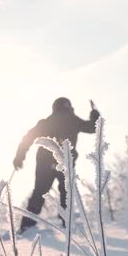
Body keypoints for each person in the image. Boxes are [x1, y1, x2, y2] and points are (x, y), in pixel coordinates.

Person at [13, 97, 100, 233]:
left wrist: (19, 156)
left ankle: (26, 226)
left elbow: (28, 137)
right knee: (66, 194)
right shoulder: (74, 121)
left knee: (39, 192)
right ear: (69, 107)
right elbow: (93, 128)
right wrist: (95, 114)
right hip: (65, 163)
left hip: (44, 163)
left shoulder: (47, 122)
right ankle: (68, 224)